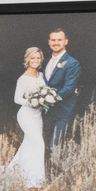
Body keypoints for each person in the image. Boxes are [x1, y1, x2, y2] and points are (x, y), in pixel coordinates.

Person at [41, 27, 80, 169]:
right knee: (44, 145)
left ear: (66, 41)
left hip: (63, 112)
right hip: (46, 112)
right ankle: (45, 176)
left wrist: (51, 98)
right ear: (49, 42)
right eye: (53, 40)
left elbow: (69, 89)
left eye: (59, 40)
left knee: (56, 146)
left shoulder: (72, 63)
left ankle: (57, 179)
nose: (56, 43)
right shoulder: (45, 61)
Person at [13, 46, 50, 187]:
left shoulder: (41, 75)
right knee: (39, 144)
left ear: (41, 60)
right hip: (26, 116)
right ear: (27, 59)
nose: (35, 60)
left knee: (28, 144)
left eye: (38, 58)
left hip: (37, 117)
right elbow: (17, 99)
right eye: (32, 58)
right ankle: (37, 181)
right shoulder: (23, 78)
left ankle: (19, 173)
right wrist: (32, 102)